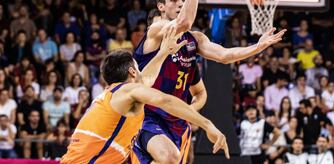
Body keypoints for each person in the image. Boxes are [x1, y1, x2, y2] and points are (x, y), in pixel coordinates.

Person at [133, 0, 286, 163]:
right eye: (174, 0)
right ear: (161, 6)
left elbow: (224, 56)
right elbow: (185, 22)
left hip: (177, 120)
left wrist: (257, 47)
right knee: (169, 157)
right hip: (148, 115)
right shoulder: (156, 30)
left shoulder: (194, 40)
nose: (180, 3)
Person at [61, 32, 229, 164]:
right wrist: (208, 125)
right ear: (133, 72)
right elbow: (166, 100)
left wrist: (163, 52)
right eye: (137, 68)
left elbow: (146, 79)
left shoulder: (114, 94)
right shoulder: (128, 92)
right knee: (170, 158)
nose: (142, 72)